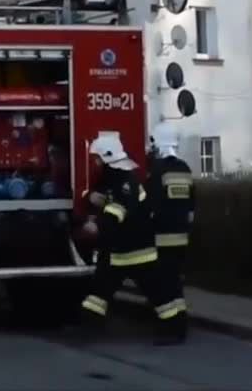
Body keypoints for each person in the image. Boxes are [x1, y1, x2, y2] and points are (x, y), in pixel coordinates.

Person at [76, 132, 187, 345]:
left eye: (96, 158)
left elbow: (117, 212)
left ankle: (175, 330)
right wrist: (90, 197)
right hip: (120, 251)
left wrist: (95, 226)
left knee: (159, 296)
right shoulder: (115, 178)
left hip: (137, 251)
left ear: (106, 157)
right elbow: (107, 198)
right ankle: (89, 329)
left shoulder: (124, 182)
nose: (95, 162)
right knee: (98, 294)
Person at [147, 125, 195, 336]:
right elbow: (192, 206)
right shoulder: (184, 169)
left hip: (161, 239)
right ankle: (180, 323)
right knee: (175, 284)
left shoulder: (157, 171)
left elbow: (151, 206)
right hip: (181, 238)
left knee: (163, 286)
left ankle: (169, 327)